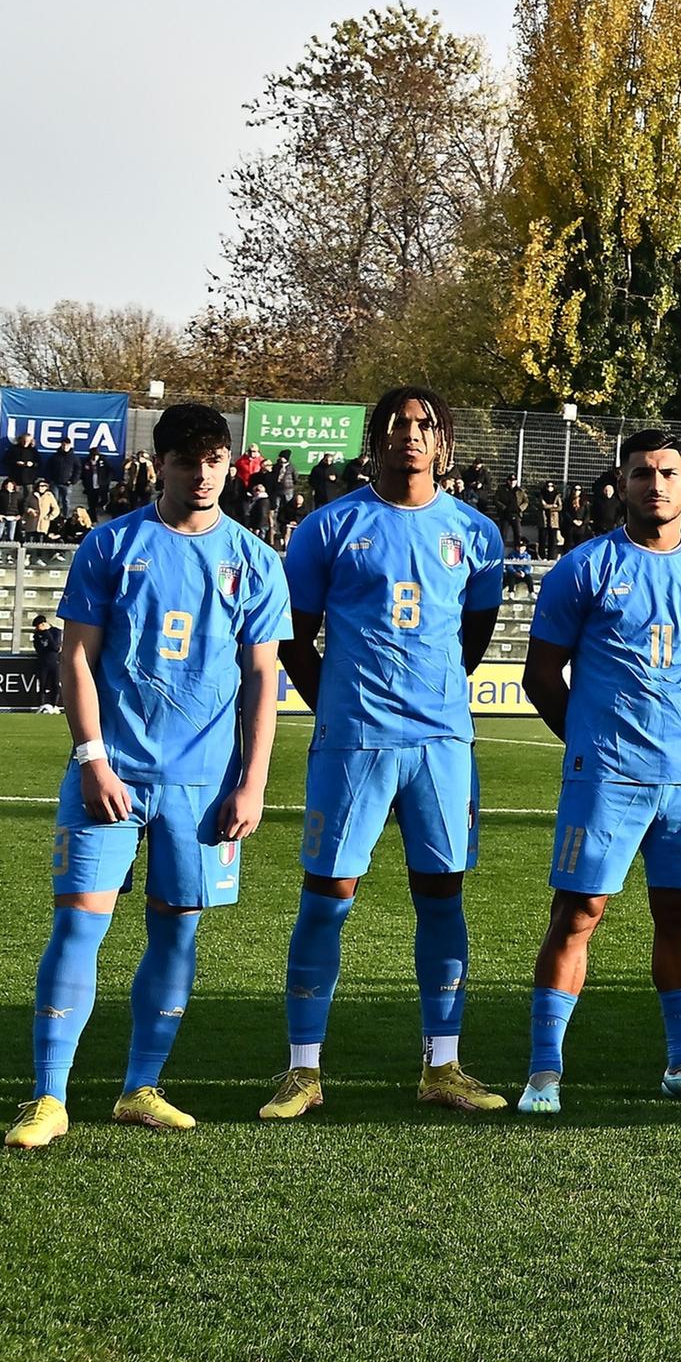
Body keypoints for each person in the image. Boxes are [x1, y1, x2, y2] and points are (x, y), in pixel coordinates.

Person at [8, 407, 289, 1150]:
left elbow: (264, 679)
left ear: (231, 466)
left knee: (177, 935)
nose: (203, 475)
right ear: (158, 463)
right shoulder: (111, 545)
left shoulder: (256, 560)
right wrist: (92, 756)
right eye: (187, 460)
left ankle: (140, 1087)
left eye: (216, 461)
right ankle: (47, 1097)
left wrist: (253, 781)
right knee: (78, 924)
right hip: (112, 775)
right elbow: (75, 657)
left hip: (203, 789)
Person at [265, 390, 511, 1121]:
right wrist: (340, 705)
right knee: (327, 896)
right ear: (374, 441)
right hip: (354, 741)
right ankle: (302, 1069)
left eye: (424, 425)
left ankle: (444, 1064)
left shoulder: (477, 532)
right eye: (396, 426)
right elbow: (292, 638)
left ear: (445, 442)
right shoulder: (327, 528)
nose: (410, 435)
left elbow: (474, 635)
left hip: (440, 743)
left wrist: (429, 698)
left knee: (442, 895)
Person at [515, 428, 681, 1112]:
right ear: (622, 482)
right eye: (642, 472)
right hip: (606, 775)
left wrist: (677, 741)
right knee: (579, 912)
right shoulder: (585, 567)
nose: (656, 483)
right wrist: (591, 742)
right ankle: (544, 1071)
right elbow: (540, 676)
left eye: (668, 472)